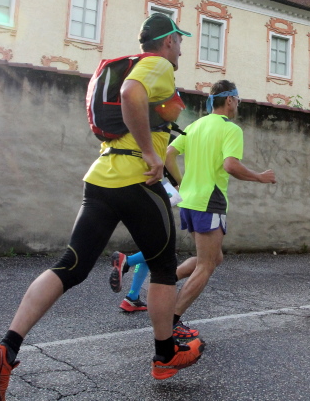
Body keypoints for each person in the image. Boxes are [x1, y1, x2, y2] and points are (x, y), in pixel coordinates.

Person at [0, 14, 204, 401]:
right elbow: (131, 94)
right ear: (168, 42)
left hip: (101, 177)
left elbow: (129, 103)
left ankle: (5, 350)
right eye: (179, 40)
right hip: (138, 180)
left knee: (70, 265)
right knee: (164, 268)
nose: (181, 48)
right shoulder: (158, 65)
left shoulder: (128, 65)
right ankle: (165, 355)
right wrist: (151, 154)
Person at [111, 80, 276, 340]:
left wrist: (181, 183)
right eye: (237, 100)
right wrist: (260, 177)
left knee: (212, 258)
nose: (237, 105)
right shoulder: (230, 129)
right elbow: (231, 165)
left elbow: (168, 154)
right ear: (230, 100)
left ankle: (162, 286)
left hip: (189, 201)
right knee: (206, 266)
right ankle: (172, 320)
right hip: (210, 201)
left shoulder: (195, 125)